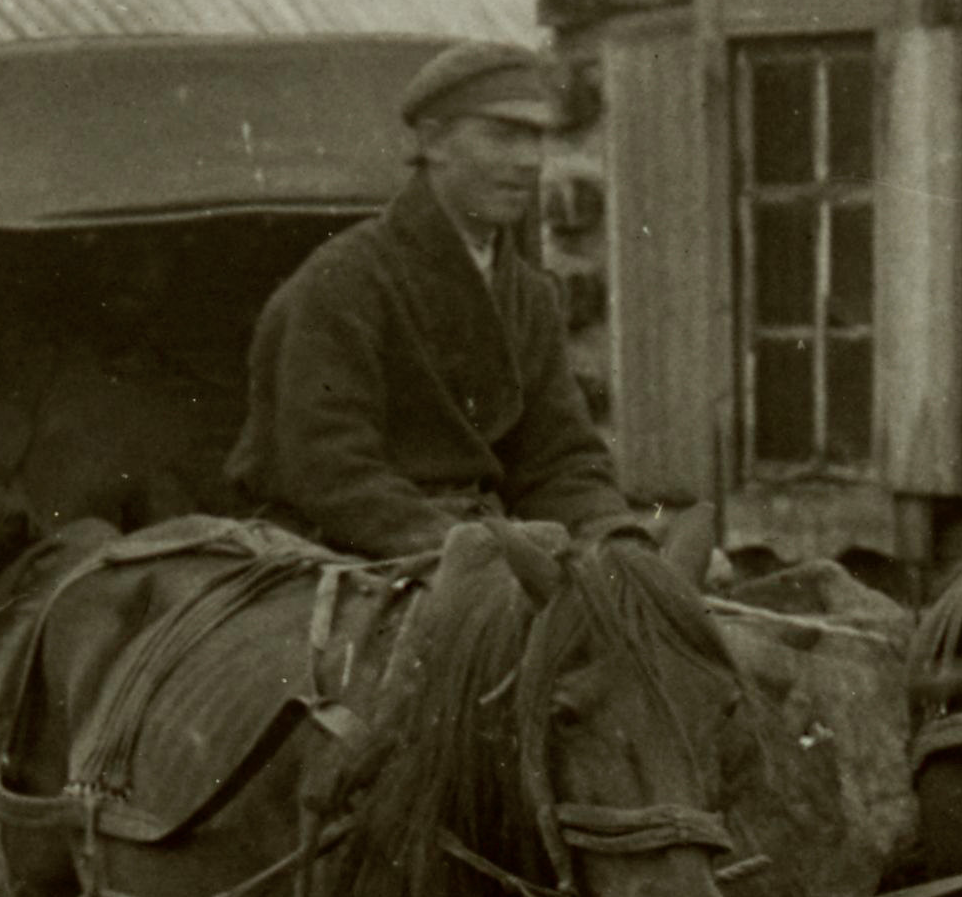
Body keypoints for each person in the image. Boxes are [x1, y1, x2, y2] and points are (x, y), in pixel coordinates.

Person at [225, 42, 648, 561]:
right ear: (433, 142)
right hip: (337, 549)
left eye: (535, 137)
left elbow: (558, 460)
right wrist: (470, 549)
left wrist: (615, 536)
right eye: (502, 135)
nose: (527, 161)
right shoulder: (344, 280)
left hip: (471, 553)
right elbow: (328, 468)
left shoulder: (529, 295)